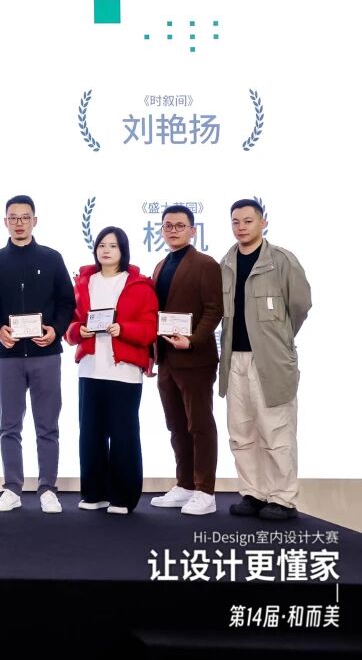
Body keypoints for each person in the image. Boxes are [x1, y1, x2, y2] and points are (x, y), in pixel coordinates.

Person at [218, 200, 312, 521]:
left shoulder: (281, 261)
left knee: (276, 431)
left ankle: (282, 498)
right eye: (235, 221)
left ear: (263, 222)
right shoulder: (225, 263)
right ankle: (253, 493)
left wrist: (279, 341)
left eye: (248, 220)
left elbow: (299, 306)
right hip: (234, 361)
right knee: (241, 432)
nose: (241, 227)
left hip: (270, 362)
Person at [0, 195, 76, 514]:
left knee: (47, 425)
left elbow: (67, 302)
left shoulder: (52, 258)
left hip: (45, 354)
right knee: (9, 425)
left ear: (35, 221)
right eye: (13, 217)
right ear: (5, 222)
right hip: (8, 355)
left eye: (25, 217)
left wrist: (55, 330)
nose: (19, 223)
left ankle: (48, 488)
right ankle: (12, 487)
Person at [65, 227, 158, 515]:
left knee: (123, 435)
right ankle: (94, 493)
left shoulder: (139, 285)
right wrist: (78, 330)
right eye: (101, 245)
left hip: (124, 372)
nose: (106, 250)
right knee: (90, 435)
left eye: (113, 246)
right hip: (90, 369)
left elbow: (150, 328)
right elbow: (70, 325)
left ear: (123, 251)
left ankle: (123, 497)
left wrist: (123, 329)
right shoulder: (84, 282)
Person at [149, 205, 224, 517]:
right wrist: (152, 355)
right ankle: (185, 485)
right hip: (167, 359)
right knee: (176, 426)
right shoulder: (160, 266)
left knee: (199, 425)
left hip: (195, 359)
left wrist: (192, 339)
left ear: (193, 230)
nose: (173, 230)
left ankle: (205, 491)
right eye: (168, 225)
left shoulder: (205, 264)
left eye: (180, 225)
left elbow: (214, 309)